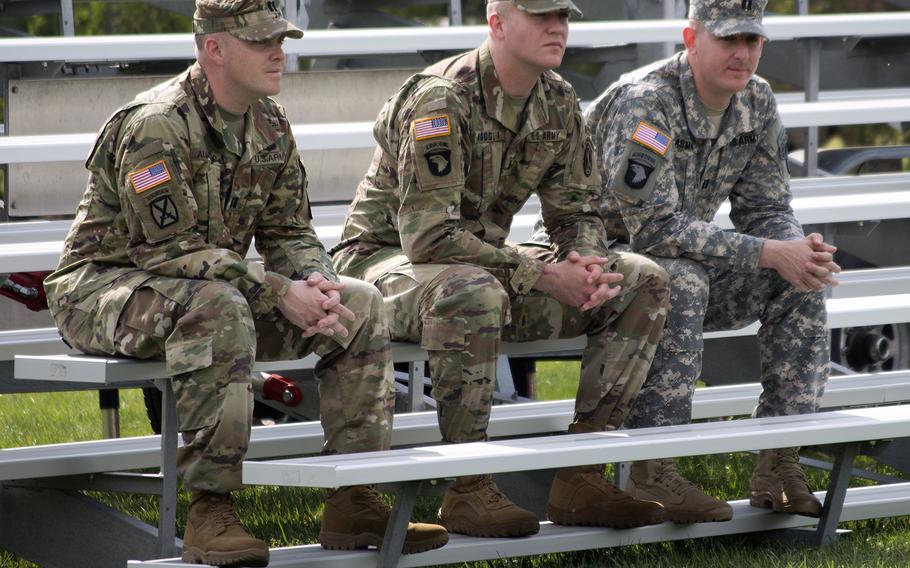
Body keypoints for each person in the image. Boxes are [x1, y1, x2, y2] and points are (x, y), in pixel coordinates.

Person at [43, 1, 448, 565]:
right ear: (215, 49)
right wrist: (280, 292)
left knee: (361, 302)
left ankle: (356, 497)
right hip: (103, 289)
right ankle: (211, 509)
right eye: (261, 42)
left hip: (208, 287)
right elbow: (170, 249)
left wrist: (317, 281)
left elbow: (290, 230)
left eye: (280, 38)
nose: (278, 52)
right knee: (219, 307)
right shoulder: (155, 125)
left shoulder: (270, 123)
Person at [332, 0, 670, 538]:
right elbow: (427, 237)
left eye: (563, 17)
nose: (557, 27)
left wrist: (583, 259)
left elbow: (577, 211)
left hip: (483, 267)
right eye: (541, 16)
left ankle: (581, 473)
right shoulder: (441, 99)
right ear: (497, 23)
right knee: (474, 292)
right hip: (384, 264)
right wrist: (541, 275)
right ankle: (467, 485)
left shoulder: (557, 99)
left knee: (640, 280)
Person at [581, 0, 841, 524]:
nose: (742, 54)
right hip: (597, 268)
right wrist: (771, 251)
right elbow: (652, 230)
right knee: (680, 278)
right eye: (728, 40)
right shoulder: (646, 103)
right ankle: (654, 466)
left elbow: (765, 208)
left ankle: (781, 459)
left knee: (801, 279)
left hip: (680, 257)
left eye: (752, 41)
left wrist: (795, 250)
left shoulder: (757, 100)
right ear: (692, 39)